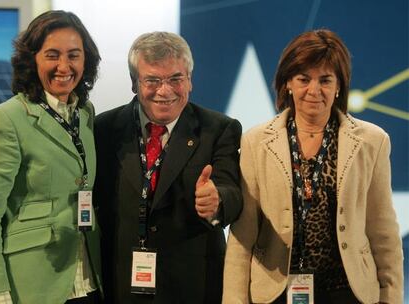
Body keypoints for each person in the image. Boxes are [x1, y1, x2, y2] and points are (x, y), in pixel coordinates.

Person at [222, 29, 403, 304]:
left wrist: (390, 298)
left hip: (348, 292)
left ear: (339, 85)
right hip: (276, 293)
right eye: (303, 79)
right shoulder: (255, 142)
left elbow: (384, 233)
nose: (314, 90)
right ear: (288, 84)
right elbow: (242, 235)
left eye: (325, 80)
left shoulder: (372, 142)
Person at [94, 31, 243, 304]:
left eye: (176, 78)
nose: (165, 91)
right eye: (152, 80)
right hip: (120, 286)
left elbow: (231, 191)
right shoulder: (104, 129)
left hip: (193, 286)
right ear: (134, 83)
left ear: (190, 80)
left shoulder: (219, 129)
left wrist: (216, 201)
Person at [0, 10, 102, 304]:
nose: (64, 66)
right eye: (52, 55)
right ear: (33, 60)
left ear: (86, 60)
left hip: (88, 279)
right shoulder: (8, 118)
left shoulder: (84, 113)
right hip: (32, 285)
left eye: (74, 55)